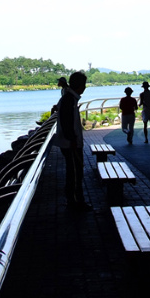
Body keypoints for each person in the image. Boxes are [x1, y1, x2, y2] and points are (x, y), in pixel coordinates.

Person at [54, 72, 91, 210]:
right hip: (71, 144)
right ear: (80, 85)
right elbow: (67, 121)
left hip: (70, 142)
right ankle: (75, 202)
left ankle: (75, 200)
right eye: (84, 85)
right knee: (75, 173)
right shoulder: (70, 99)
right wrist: (73, 139)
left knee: (74, 172)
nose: (85, 87)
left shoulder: (68, 98)